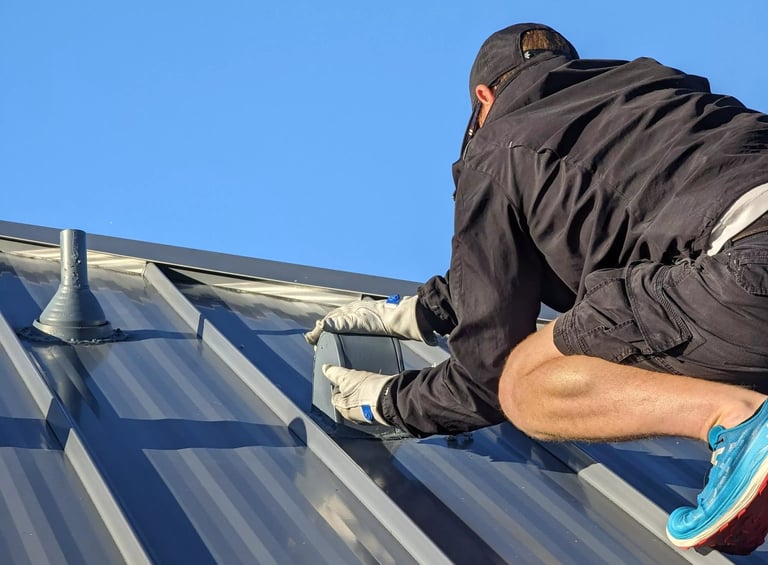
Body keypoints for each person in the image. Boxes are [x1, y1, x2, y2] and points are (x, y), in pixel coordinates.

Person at [305, 23, 768, 555]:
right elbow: (575, 242)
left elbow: (486, 372)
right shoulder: (654, 89)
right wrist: (425, 309)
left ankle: (736, 422)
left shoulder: (497, 145)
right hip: (738, 252)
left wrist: (386, 402)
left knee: (524, 381)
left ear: (483, 97)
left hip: (746, 279)